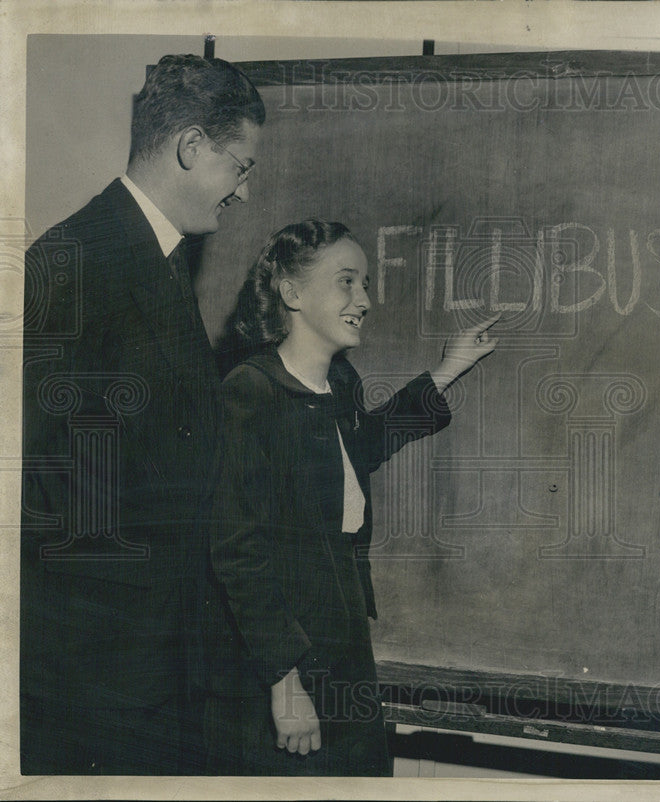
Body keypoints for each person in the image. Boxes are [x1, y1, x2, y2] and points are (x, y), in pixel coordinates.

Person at [21, 54, 265, 774]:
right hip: (99, 683)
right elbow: (33, 485)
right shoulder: (71, 260)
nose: (245, 194)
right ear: (191, 147)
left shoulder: (157, 259)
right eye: (241, 168)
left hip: (160, 666)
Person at [203, 219, 499, 775]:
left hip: (342, 637)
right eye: (346, 282)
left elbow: (359, 451)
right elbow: (237, 552)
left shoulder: (340, 384)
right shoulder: (250, 391)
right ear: (291, 293)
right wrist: (284, 683)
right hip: (284, 657)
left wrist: (448, 369)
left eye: (364, 284)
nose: (363, 299)